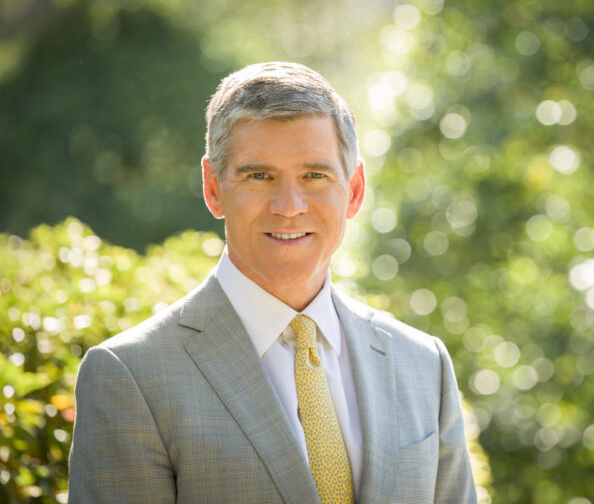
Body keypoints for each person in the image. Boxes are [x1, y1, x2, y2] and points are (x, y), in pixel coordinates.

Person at [68, 62, 477, 503]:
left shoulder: (422, 365)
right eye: (259, 176)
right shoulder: (130, 377)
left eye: (314, 175)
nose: (289, 206)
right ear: (213, 188)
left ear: (355, 190)